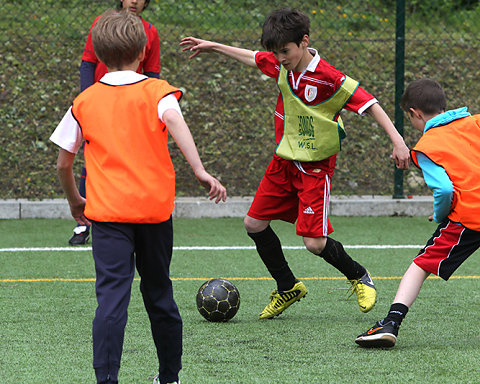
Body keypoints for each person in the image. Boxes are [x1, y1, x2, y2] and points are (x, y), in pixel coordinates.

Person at [180, 8, 410, 319]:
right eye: (276, 52)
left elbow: (370, 104)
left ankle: (358, 274)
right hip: (283, 162)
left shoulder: (329, 77)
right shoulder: (279, 64)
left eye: (285, 51)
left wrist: (398, 141)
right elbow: (253, 57)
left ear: (304, 42)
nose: (280, 58)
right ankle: (287, 286)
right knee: (254, 224)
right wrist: (213, 45)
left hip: (315, 168)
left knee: (314, 243)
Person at [50, 10, 226, 384]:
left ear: (96, 54)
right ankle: (169, 378)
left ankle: (107, 380)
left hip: (108, 216)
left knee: (112, 301)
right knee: (160, 294)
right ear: (144, 50)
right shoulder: (157, 92)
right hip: (154, 213)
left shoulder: (84, 102)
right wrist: (199, 170)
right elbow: (176, 121)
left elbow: (64, 164)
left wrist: (75, 202)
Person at [355, 78, 480, 348]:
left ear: (415, 113)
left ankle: (390, 323)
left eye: (409, 119)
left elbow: (445, 190)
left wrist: (440, 215)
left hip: (470, 215)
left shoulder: (426, 147)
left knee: (420, 265)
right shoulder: (475, 123)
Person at [69, 0, 161, 245]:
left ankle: (131, 217)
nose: (134, 0)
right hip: (100, 104)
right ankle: (83, 223)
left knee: (129, 162)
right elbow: (88, 63)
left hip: (131, 108)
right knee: (93, 158)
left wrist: (150, 106)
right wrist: (87, 100)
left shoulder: (149, 31)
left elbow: (153, 74)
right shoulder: (101, 23)